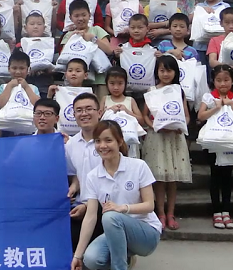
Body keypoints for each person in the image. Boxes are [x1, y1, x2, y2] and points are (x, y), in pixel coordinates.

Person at [71, 120, 161, 270]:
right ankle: (125, 258)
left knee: (110, 216)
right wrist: (77, 256)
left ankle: (119, 267)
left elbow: (149, 205)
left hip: (146, 232)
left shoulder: (138, 166)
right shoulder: (93, 176)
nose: (102, 146)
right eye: (98, 141)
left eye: (108, 140)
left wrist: (123, 208)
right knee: (91, 259)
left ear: (119, 141)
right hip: (115, 233)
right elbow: (90, 217)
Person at [141, 56, 191, 231]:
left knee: (172, 179)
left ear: (175, 72)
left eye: (169, 70)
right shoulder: (152, 90)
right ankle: (160, 213)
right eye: (162, 70)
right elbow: (145, 115)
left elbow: (186, 116)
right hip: (157, 138)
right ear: (157, 72)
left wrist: (181, 126)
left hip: (175, 139)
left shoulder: (179, 91)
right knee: (159, 179)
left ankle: (171, 213)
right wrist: (154, 126)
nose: (165, 74)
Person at [196, 65, 233, 230]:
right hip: (213, 142)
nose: (222, 84)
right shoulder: (209, 97)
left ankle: (226, 210)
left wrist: (230, 104)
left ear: (232, 81)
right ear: (213, 81)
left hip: (229, 141)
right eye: (218, 80)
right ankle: (216, 211)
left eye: (226, 80)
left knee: (227, 177)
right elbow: (200, 115)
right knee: (215, 176)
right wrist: (216, 107)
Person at [66, 93, 104, 251]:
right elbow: (76, 174)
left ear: (99, 112)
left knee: (97, 256)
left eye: (89, 109)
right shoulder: (71, 144)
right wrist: (73, 187)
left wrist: (89, 206)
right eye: (79, 110)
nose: (84, 114)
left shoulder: (109, 141)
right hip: (81, 204)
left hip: (108, 206)